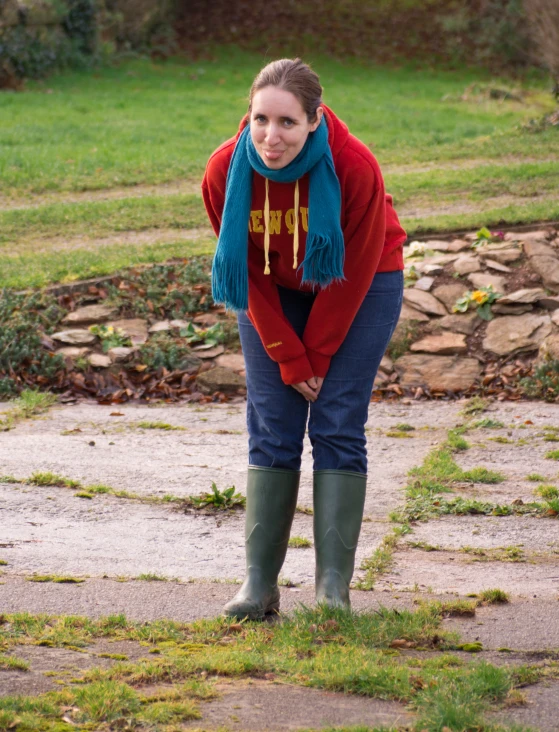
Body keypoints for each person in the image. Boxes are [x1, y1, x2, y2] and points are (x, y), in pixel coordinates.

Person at [202, 58, 406, 620]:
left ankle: (332, 590)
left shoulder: (354, 166)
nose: (271, 137)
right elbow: (242, 271)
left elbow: (359, 269)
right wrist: (289, 357)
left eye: (288, 122)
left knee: (338, 419)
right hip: (271, 286)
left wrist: (315, 353)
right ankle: (258, 587)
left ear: (314, 120)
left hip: (362, 282)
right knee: (273, 424)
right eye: (261, 119)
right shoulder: (225, 171)